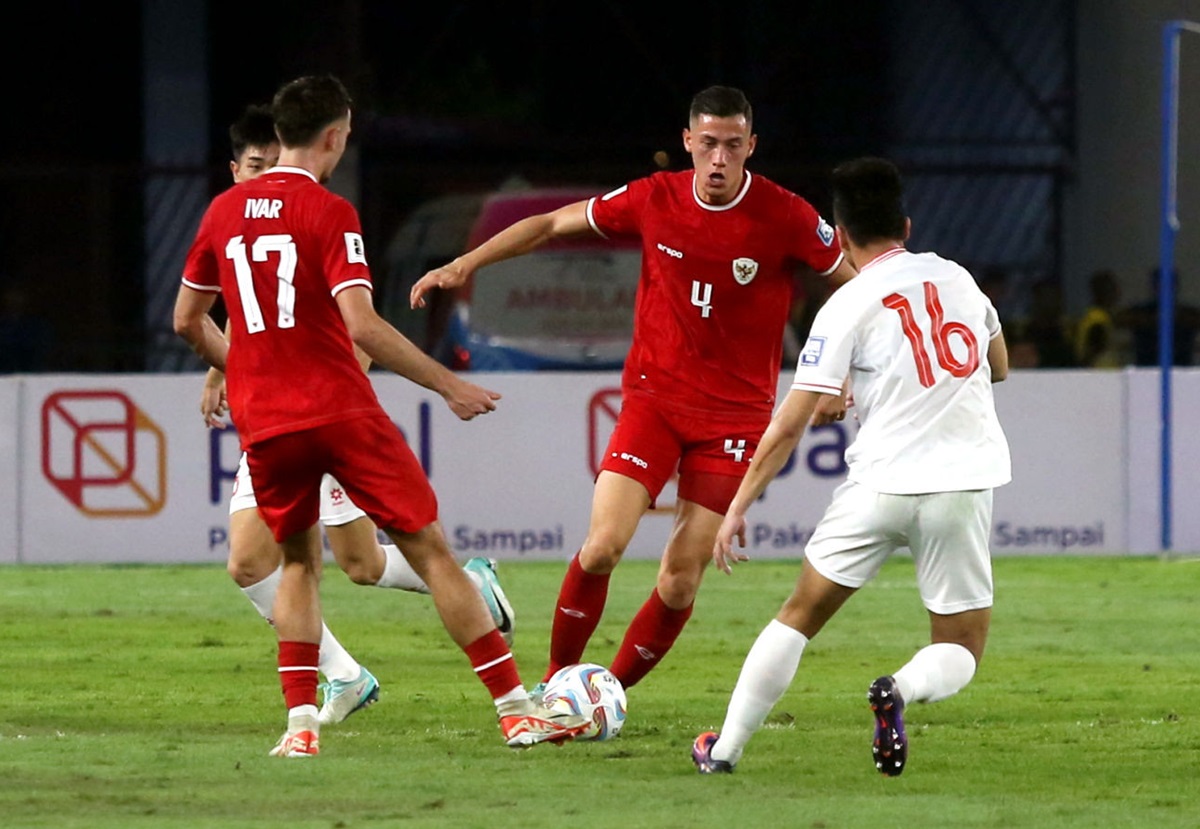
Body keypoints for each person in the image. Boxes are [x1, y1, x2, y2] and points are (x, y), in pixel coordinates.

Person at [174, 74, 587, 757]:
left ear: (278, 135)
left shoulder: (223, 212)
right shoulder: (330, 211)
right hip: (338, 410)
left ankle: (301, 727)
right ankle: (517, 709)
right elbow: (362, 326)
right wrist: (446, 383)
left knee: (301, 563)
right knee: (429, 551)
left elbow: (187, 318)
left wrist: (245, 368)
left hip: (268, 423)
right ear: (335, 135)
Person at [411, 85, 857, 695]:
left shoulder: (786, 215)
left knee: (679, 581)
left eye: (732, 146)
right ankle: (554, 686)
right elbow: (548, 224)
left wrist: (844, 374)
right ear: (687, 143)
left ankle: (605, 696)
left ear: (751, 146)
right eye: (708, 145)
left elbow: (855, 289)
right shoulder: (655, 198)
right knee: (600, 549)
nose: (719, 159)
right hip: (655, 402)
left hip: (733, 420)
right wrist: (467, 264)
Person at [691, 157, 1011, 777]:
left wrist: (736, 509)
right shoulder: (960, 280)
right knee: (962, 646)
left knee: (799, 615)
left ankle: (724, 750)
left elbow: (788, 424)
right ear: (908, 226)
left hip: (879, 485)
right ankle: (899, 690)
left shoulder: (846, 304)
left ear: (839, 236)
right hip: (960, 486)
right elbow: (995, 365)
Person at [202, 104, 515, 728]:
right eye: (253, 166)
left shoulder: (316, 214)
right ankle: (351, 672)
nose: (264, 175)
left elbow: (355, 325)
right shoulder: (238, 223)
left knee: (319, 562)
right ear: (235, 169)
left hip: (322, 413)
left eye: (272, 162)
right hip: (280, 412)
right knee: (351, 564)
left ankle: (369, 668)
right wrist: (225, 369)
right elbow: (250, 313)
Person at [1115, 266, 1200, 366]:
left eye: (1169, 284)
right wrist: (1153, 319)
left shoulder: (1188, 313)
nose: (1164, 288)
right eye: (1160, 284)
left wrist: (1176, 318)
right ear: (1153, 286)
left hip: (1181, 369)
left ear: (1176, 286)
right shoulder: (1139, 312)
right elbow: (1118, 320)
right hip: (1146, 369)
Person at [1074, 268, 1123, 368]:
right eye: (1113, 288)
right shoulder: (1097, 319)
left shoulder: (1096, 316)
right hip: (1101, 376)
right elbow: (1092, 352)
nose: (1118, 292)